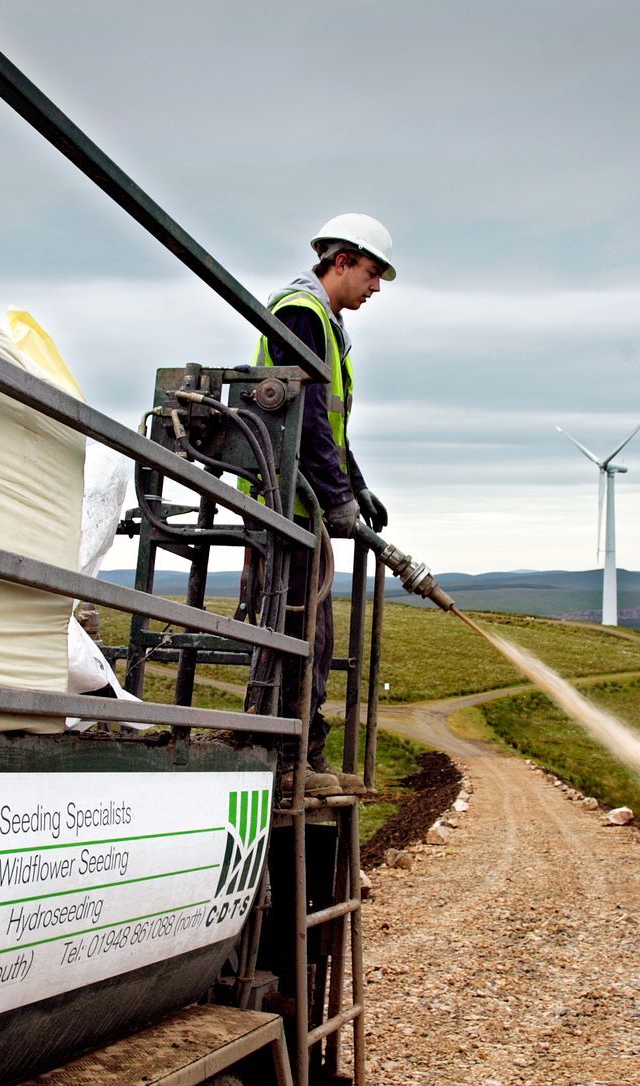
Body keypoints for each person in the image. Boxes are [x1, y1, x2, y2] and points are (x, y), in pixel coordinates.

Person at [253, 213, 395, 793]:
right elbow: (306, 418)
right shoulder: (300, 313)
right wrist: (337, 498)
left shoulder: (328, 326)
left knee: (315, 636)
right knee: (290, 630)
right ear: (342, 261)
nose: (376, 286)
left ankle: (305, 758)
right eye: (372, 271)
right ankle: (283, 761)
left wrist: (354, 484)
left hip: (305, 502)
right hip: (283, 502)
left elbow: (330, 427)